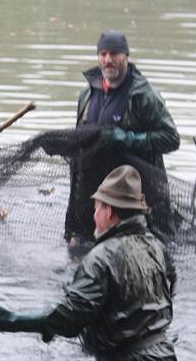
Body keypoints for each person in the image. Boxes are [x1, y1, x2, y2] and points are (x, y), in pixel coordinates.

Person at [0, 165, 177, 361]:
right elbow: (167, 290)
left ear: (109, 211)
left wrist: (14, 320)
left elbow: (69, 317)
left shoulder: (101, 257)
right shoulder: (158, 247)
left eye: (97, 208)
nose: (94, 216)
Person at [67, 29, 180, 245]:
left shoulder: (144, 95)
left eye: (115, 54)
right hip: (91, 197)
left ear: (126, 56)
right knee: (81, 253)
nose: (108, 60)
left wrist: (126, 138)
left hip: (132, 196)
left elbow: (171, 138)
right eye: (103, 54)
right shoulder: (87, 94)